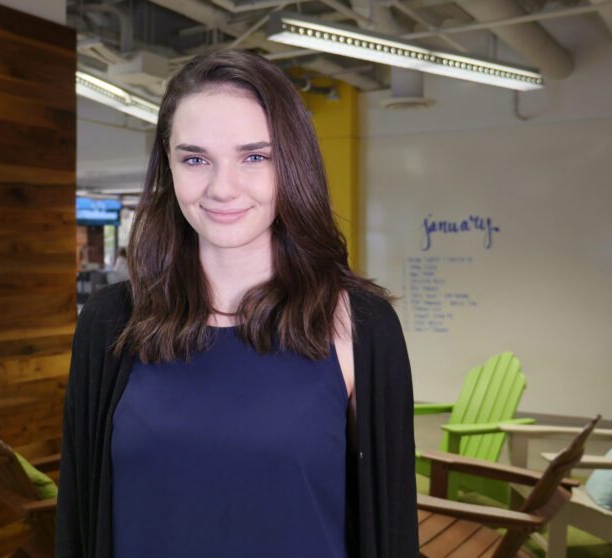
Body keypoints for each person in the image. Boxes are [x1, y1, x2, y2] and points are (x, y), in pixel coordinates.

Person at [56, 49, 418, 558]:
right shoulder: (111, 322)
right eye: (195, 159)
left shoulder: (360, 325)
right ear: (169, 167)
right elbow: (78, 516)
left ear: (292, 163)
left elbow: (391, 527)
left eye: (254, 157)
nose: (222, 188)